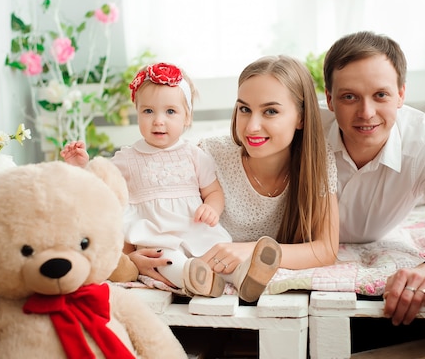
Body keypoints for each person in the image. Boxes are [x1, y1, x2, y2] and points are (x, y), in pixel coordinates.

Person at [62, 62, 282, 302]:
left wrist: (211, 208)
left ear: (187, 117)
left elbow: (213, 191)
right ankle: (195, 280)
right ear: (137, 113)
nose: (158, 121)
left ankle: (244, 276)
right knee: (166, 261)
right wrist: (83, 166)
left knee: (218, 253)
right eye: (148, 111)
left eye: (170, 112)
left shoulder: (195, 155)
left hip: (194, 227)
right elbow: (103, 185)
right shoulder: (127, 158)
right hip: (157, 234)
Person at [126, 55, 340, 297]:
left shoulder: (317, 162)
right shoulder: (207, 154)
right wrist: (130, 257)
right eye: (245, 109)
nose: (251, 126)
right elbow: (145, 202)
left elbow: (326, 249)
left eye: (270, 111)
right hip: (195, 272)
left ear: (301, 117)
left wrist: (249, 250)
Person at [320, 30, 425, 325]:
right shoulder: (303, 130)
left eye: (380, 95)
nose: (366, 112)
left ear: (401, 95)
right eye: (349, 97)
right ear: (330, 100)